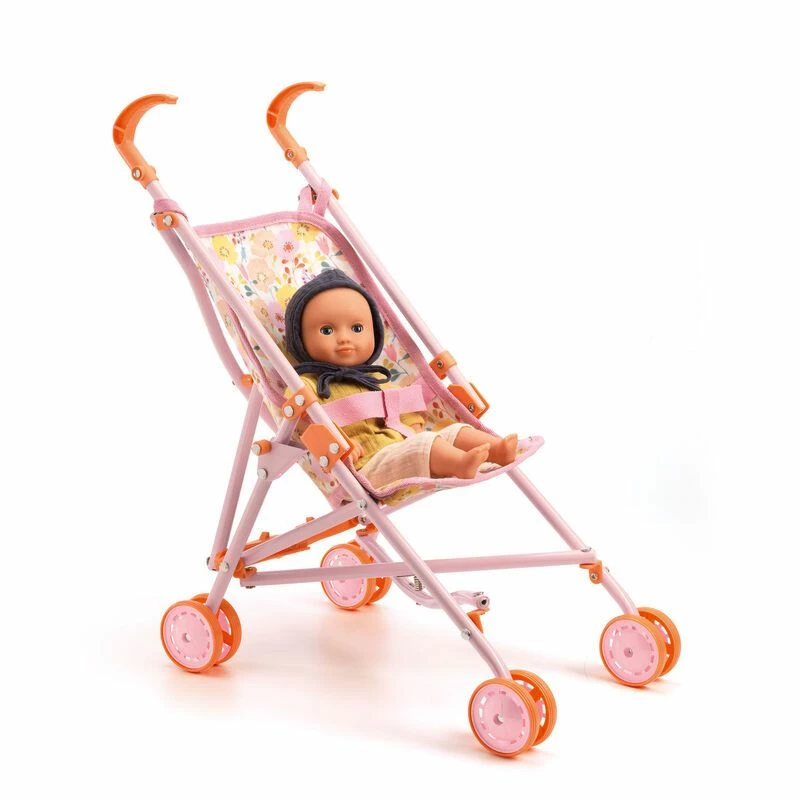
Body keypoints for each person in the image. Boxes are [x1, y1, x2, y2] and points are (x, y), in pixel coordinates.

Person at [284, 269, 517, 487]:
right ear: (300, 340)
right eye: (327, 330)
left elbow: (399, 406)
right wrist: (338, 442)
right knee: (424, 445)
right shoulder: (308, 383)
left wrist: (413, 426)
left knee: (452, 432)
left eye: (357, 329)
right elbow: (303, 417)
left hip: (401, 444)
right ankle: (459, 464)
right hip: (368, 465)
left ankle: (497, 449)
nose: (345, 338)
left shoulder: (374, 378)